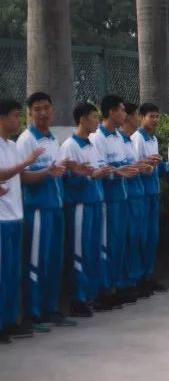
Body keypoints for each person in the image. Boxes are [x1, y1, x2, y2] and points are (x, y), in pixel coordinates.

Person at [16, 92, 67, 333]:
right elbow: (23, 178)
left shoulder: (52, 139)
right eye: (37, 109)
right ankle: (33, 313)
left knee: (53, 260)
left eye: (46, 108)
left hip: (55, 206)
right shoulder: (26, 141)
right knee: (36, 262)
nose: (43, 113)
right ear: (30, 113)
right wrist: (47, 173)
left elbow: (57, 170)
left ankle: (51, 308)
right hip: (37, 209)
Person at [90, 95, 141, 307]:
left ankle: (118, 284)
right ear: (111, 112)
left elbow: (124, 164)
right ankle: (104, 289)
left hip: (122, 197)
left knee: (120, 243)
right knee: (106, 244)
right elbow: (100, 169)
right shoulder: (97, 138)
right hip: (107, 200)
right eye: (121, 110)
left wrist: (136, 167)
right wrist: (120, 173)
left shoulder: (118, 138)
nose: (125, 114)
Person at [61, 102, 111, 311]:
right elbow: (67, 179)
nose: (96, 121)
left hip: (94, 202)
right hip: (80, 204)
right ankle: (78, 298)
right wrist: (91, 176)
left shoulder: (90, 144)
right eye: (93, 117)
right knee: (79, 252)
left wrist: (99, 174)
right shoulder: (69, 146)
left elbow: (95, 170)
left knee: (92, 250)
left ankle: (91, 293)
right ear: (82, 119)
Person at [0, 99, 43, 342]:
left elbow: (21, 176)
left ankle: (9, 321)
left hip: (16, 215)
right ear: (2, 118)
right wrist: (27, 162)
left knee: (13, 273)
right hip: (2, 218)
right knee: (2, 273)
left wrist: (50, 172)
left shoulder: (12, 146)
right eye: (16, 116)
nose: (19, 120)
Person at [130, 103, 166, 292]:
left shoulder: (152, 139)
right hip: (141, 193)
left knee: (152, 236)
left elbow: (154, 167)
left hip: (153, 192)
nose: (155, 120)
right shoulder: (138, 139)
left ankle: (148, 275)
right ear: (141, 117)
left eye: (157, 116)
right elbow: (135, 166)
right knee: (141, 236)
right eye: (151, 116)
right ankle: (138, 278)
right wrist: (148, 166)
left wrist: (164, 166)